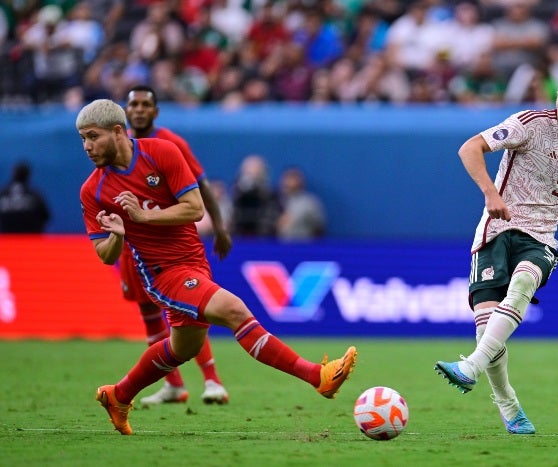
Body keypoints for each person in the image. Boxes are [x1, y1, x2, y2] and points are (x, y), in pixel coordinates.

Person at [76, 99, 357, 435]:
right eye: (83, 139)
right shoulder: (94, 190)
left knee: (184, 347)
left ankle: (117, 395)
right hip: (161, 271)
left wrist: (143, 215)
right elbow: (105, 254)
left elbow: (194, 209)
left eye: (93, 136)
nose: (87, 146)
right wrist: (119, 236)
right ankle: (318, 376)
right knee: (234, 309)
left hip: (194, 260)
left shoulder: (161, 153)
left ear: (118, 131)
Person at [433, 68, 558, 434]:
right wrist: (490, 193)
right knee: (486, 329)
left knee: (525, 279)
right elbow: (470, 147)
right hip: (496, 230)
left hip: (540, 238)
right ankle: (510, 407)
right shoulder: (528, 124)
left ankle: (470, 368)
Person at [121, 84, 232, 406]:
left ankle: (212, 381)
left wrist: (220, 227)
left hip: (170, 244)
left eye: (145, 104)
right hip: (133, 246)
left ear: (155, 111)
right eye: (134, 104)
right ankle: (173, 385)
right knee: (148, 312)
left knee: (187, 309)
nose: (139, 110)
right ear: (126, 111)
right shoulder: (116, 145)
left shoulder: (171, 143)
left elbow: (201, 185)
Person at [276, 167, 326, 240]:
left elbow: (319, 226)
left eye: (293, 178)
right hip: (278, 247)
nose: (289, 182)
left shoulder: (310, 202)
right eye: (287, 178)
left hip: (304, 246)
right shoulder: (274, 200)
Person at [0, 161, 51, 233]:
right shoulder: (34, 195)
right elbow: (46, 216)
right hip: (30, 240)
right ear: (28, 175)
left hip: (7, 240)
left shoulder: (2, 194)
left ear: (13, 174)